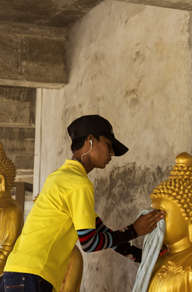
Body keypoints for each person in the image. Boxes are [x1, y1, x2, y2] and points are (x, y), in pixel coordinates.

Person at [1, 115, 165, 292]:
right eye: (108, 146)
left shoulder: (60, 177)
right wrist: (134, 230)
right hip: (32, 276)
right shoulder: (78, 183)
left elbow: (102, 233)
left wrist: (144, 256)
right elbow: (89, 242)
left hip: (16, 274)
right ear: (90, 140)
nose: (110, 154)